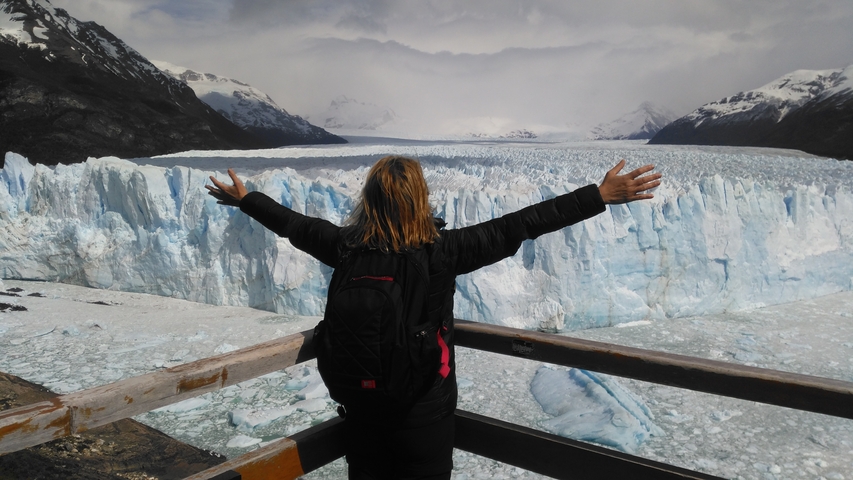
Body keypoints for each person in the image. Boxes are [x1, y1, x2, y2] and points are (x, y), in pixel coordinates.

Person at [206, 156, 661, 479]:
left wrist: (248, 200)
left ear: (370, 199)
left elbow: (293, 224)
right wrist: (597, 195)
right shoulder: (441, 252)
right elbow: (521, 224)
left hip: (362, 415)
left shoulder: (344, 248)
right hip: (423, 415)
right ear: (419, 199)